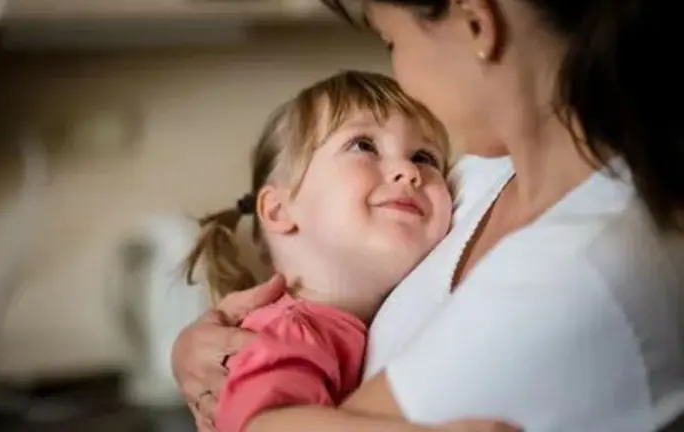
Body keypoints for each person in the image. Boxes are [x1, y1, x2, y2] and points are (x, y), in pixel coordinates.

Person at [173, 0, 684, 431]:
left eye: (391, 41)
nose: (410, 174)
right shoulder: (482, 174)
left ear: (476, 22)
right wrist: (199, 355)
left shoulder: (575, 267)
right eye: (363, 146)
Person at [183, 70, 513, 432]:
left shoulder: (345, 327)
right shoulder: (296, 329)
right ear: (279, 210)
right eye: (364, 146)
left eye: (425, 157)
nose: (408, 171)